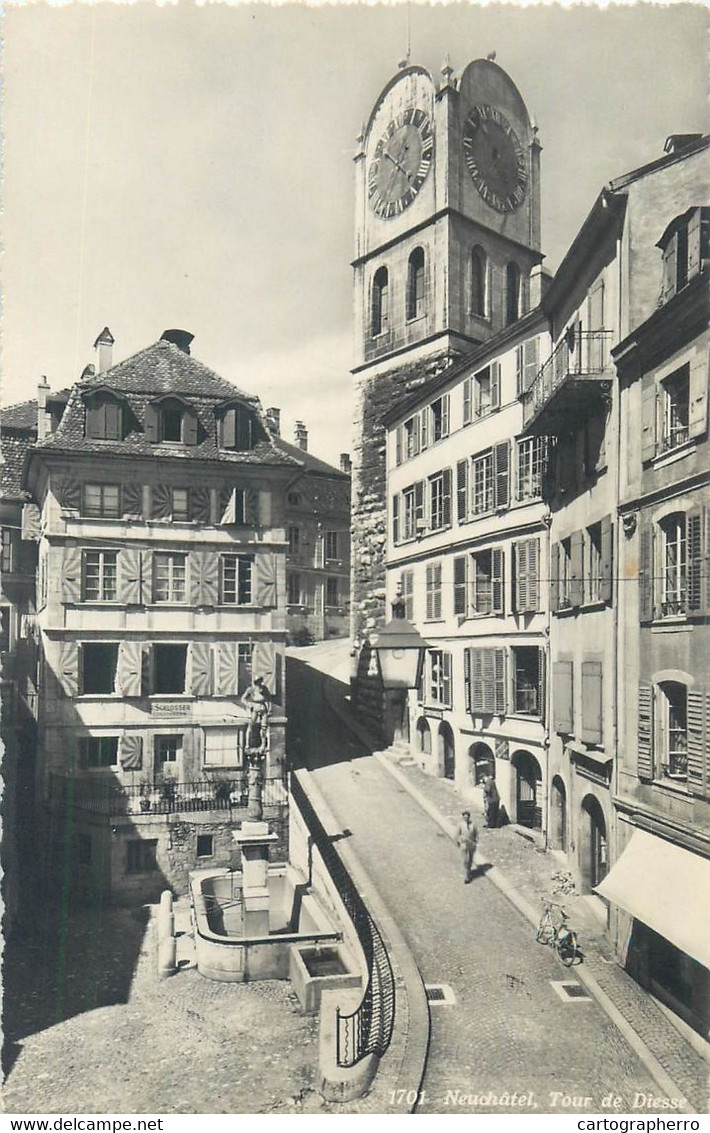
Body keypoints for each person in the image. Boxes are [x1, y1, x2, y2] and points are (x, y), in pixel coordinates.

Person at [455, 810, 478, 884]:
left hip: (471, 844)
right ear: (463, 817)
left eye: (467, 817)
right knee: (465, 861)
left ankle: (469, 872)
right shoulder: (460, 825)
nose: (466, 818)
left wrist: (475, 842)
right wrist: (458, 842)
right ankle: (466, 877)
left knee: (470, 860)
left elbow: (476, 834)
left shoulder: (473, 825)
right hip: (464, 844)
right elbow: (457, 835)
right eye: (465, 817)